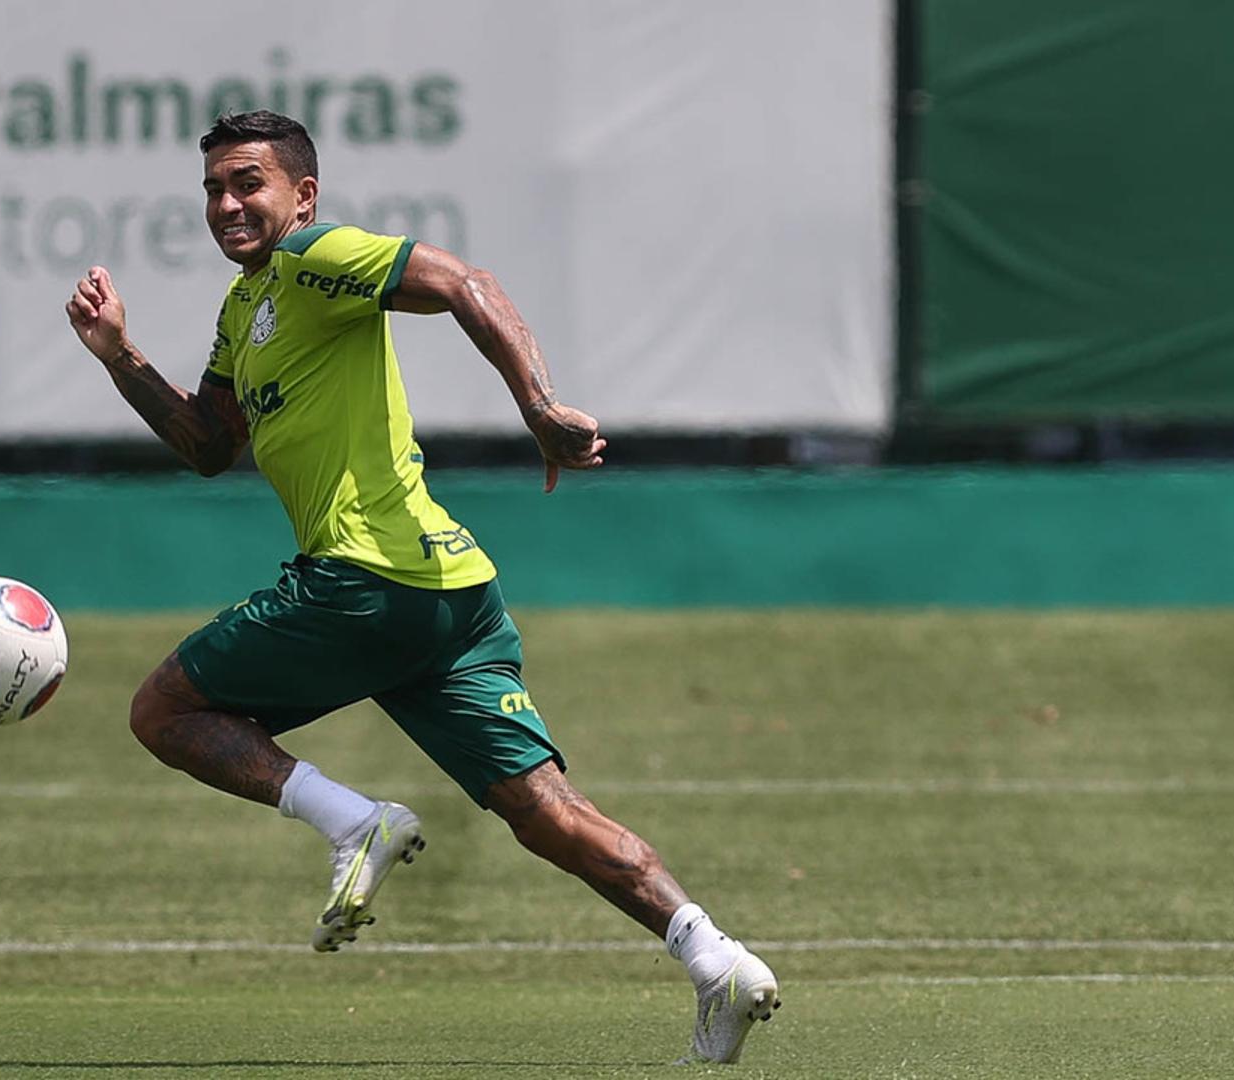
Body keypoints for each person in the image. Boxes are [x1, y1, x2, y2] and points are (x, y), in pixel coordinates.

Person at [66, 110, 779, 1065]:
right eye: (212, 189)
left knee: (163, 710)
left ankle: (354, 821)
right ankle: (716, 957)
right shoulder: (246, 312)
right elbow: (206, 445)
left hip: (367, 578)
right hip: (448, 595)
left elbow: (459, 281)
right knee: (544, 811)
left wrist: (538, 406)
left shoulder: (318, 256)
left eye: (248, 183)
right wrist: (120, 354)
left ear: (303, 194)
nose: (227, 204)